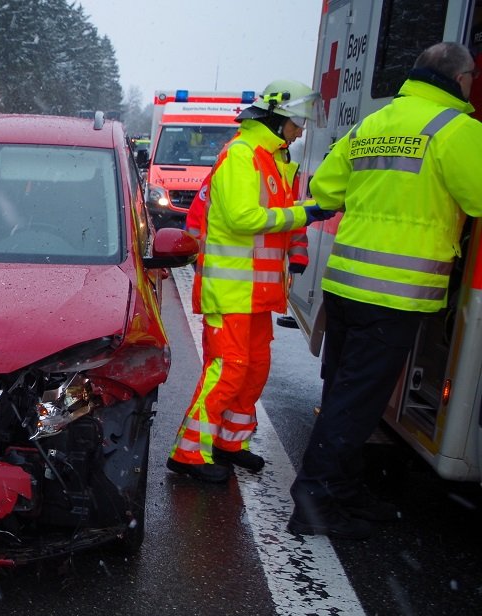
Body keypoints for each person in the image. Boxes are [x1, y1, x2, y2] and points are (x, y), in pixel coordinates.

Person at [288, 42, 482, 538]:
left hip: (346, 284)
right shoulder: (457, 130)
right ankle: (314, 503)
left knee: (344, 393)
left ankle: (342, 489)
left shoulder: (372, 124)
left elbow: (326, 190)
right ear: (461, 79)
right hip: (394, 294)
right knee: (356, 403)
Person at [167, 79, 329, 483]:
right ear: (276, 118)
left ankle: (229, 442)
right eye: (296, 123)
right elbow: (244, 218)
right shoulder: (241, 155)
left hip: (257, 292)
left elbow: (282, 214)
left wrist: (298, 247)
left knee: (254, 369)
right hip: (231, 291)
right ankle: (189, 453)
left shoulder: (273, 159)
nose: (300, 132)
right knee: (229, 369)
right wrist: (304, 214)